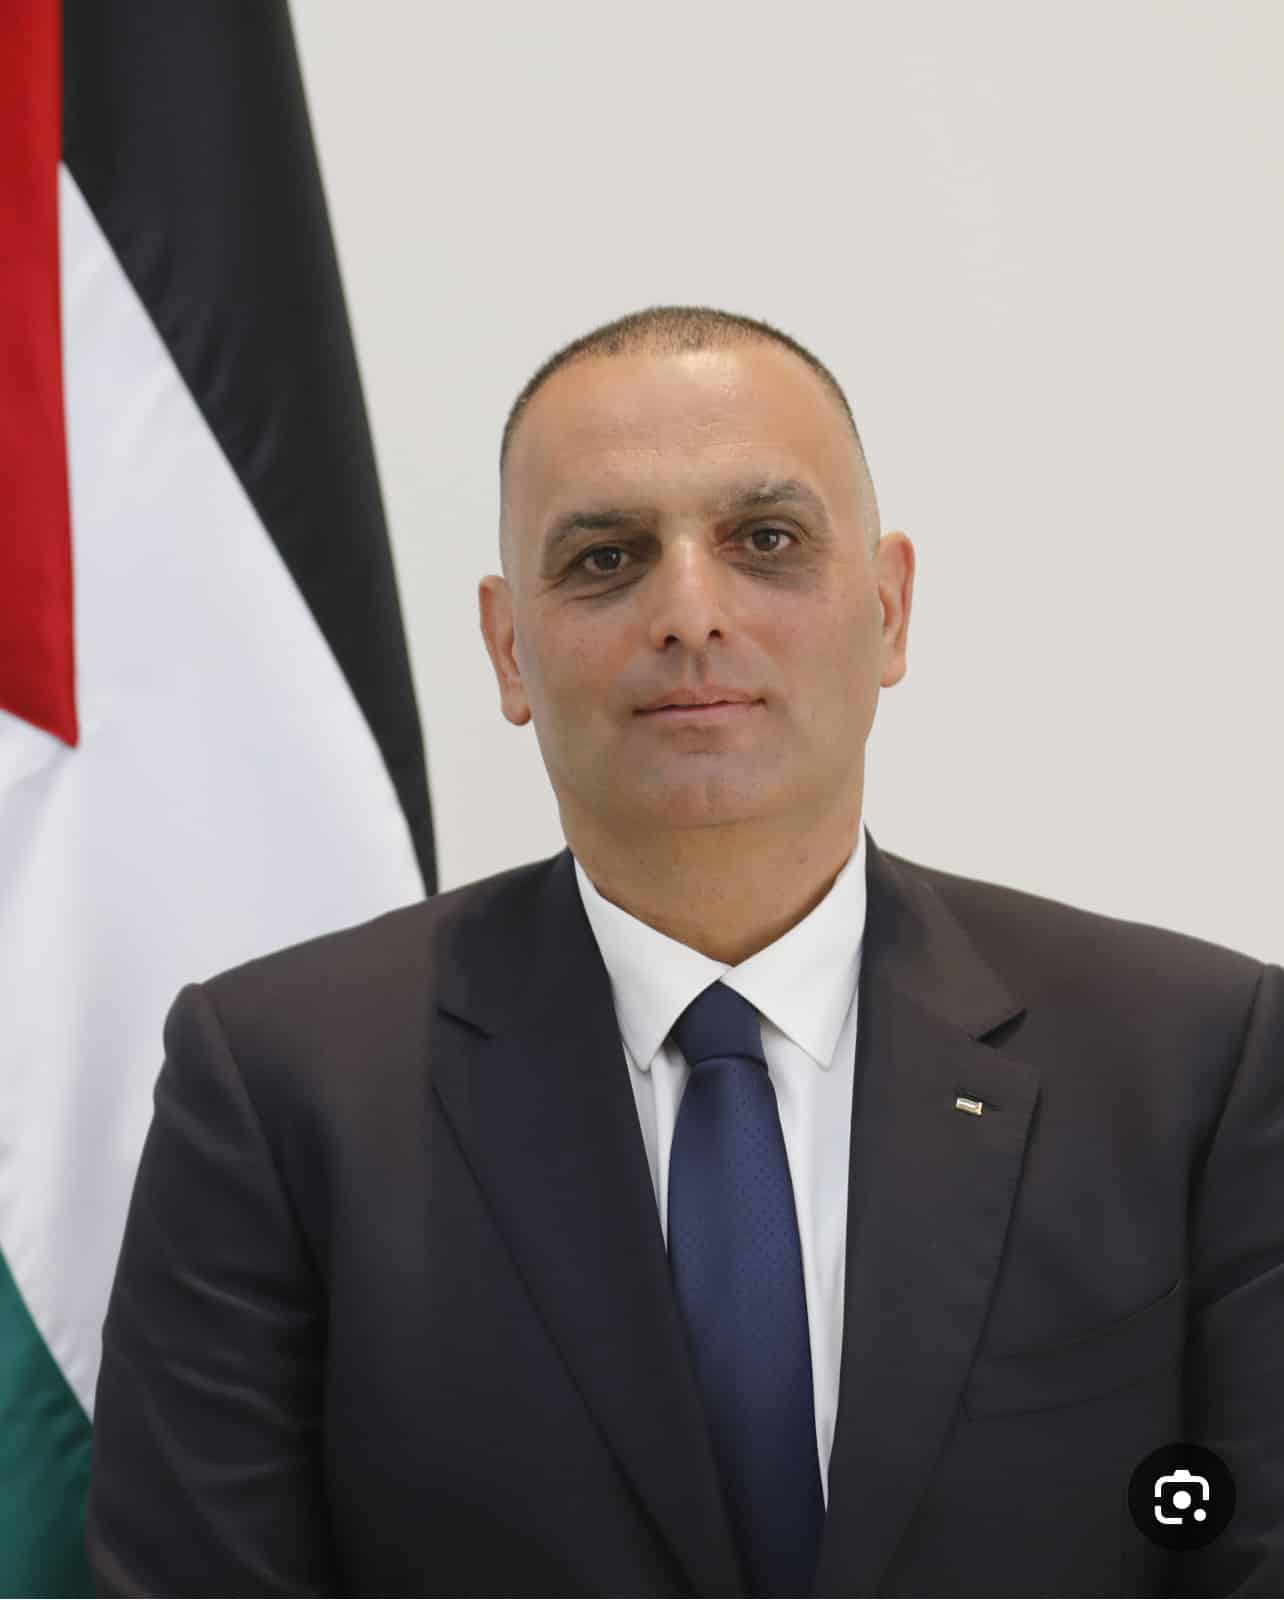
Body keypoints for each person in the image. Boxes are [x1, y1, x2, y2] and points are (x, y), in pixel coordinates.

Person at [87, 305, 1282, 1597]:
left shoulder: (1196, 1064)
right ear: (509, 649)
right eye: (606, 558)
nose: (691, 612)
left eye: (765, 540)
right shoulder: (279, 1089)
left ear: (889, 610)